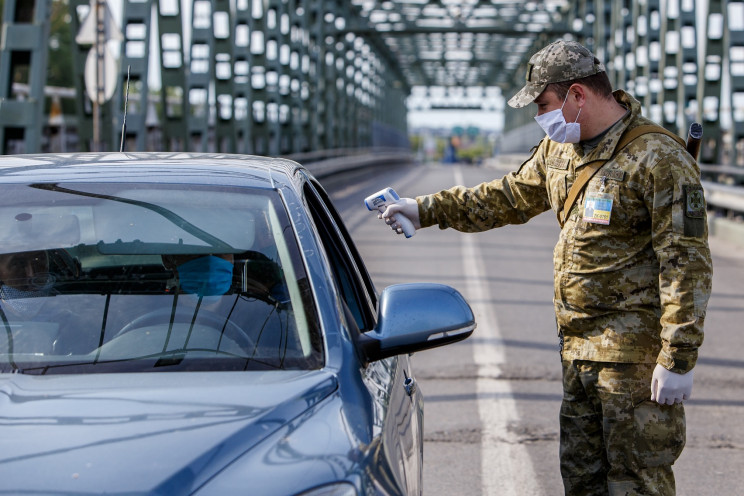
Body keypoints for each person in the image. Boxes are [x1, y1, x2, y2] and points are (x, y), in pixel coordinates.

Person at [380, 40, 712, 495]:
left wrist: (678, 358)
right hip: (576, 355)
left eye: (544, 104)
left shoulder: (659, 158)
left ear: (578, 95)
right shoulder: (559, 152)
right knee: (582, 483)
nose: (541, 117)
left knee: (638, 486)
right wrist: (425, 209)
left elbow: (686, 264)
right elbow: (506, 196)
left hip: (632, 366)